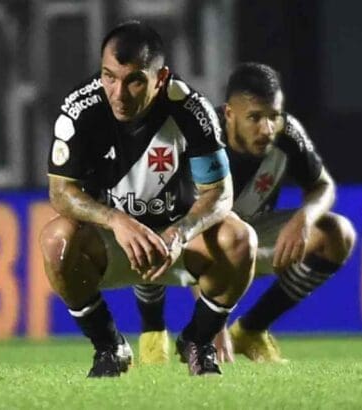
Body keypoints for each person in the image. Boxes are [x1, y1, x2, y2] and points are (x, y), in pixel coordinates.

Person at [39, 21, 256, 377]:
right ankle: (109, 346)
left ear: (161, 78)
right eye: (109, 76)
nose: (118, 93)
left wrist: (180, 233)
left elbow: (220, 194)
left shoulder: (191, 110)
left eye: (134, 81)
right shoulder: (81, 108)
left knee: (241, 239)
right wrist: (116, 220)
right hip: (114, 241)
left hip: (178, 241)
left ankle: (198, 341)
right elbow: (61, 192)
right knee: (55, 241)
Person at [136, 62, 355, 364]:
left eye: (274, 116)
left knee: (337, 234)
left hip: (247, 234)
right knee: (147, 226)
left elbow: (323, 186)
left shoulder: (287, 134)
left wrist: (305, 218)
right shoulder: (197, 135)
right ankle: (153, 330)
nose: (267, 129)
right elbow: (194, 222)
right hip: (187, 237)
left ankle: (251, 330)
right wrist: (215, 322)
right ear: (229, 114)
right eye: (255, 117)